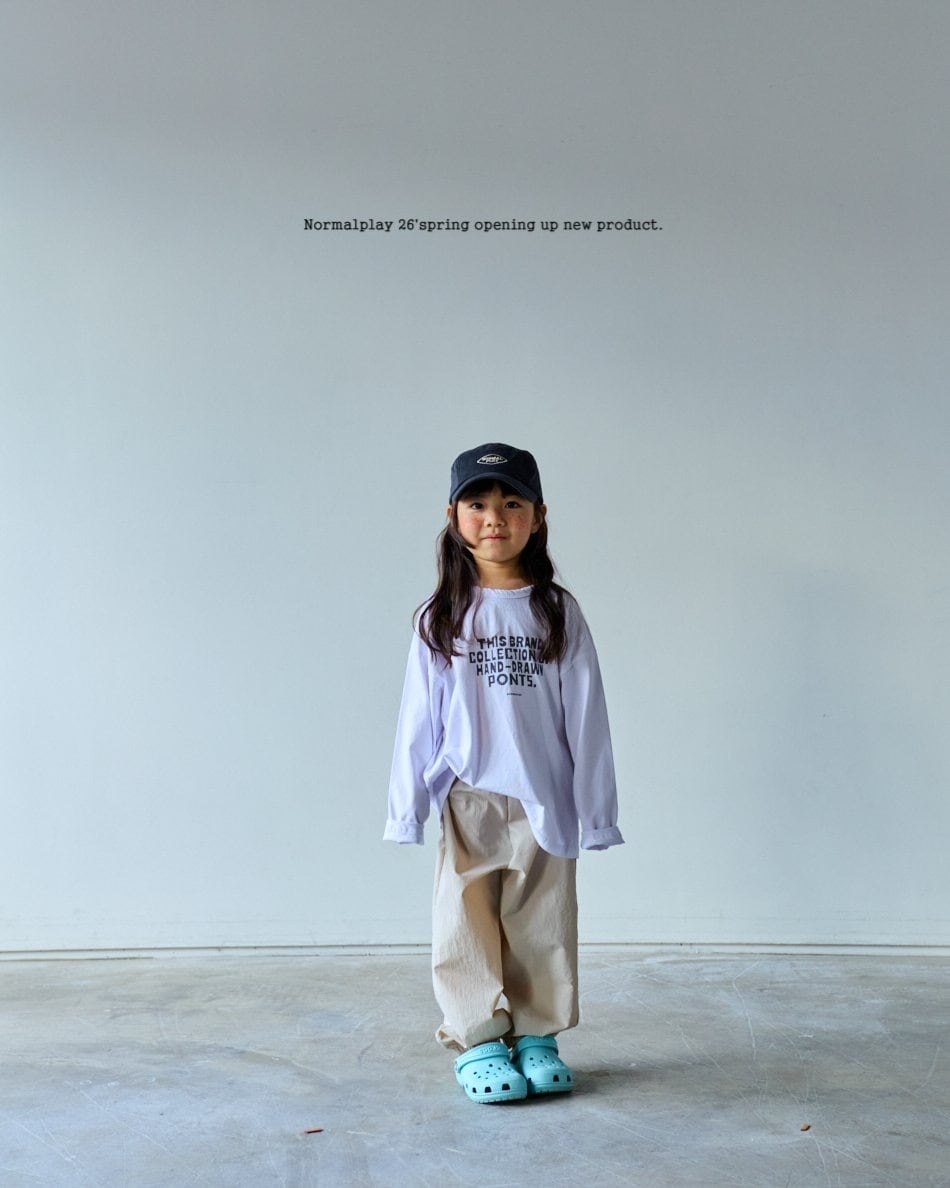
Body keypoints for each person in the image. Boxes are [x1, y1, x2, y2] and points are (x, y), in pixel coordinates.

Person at [384, 442, 623, 1104]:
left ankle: (538, 1033)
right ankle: (479, 1039)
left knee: (542, 920)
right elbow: (416, 720)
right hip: (469, 794)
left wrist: (596, 812)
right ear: (453, 516)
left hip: (545, 794)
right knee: (464, 921)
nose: (495, 518)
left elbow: (587, 716)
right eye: (479, 504)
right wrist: (406, 809)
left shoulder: (557, 611)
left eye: (512, 503)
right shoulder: (441, 614)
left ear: (538, 516)